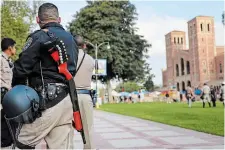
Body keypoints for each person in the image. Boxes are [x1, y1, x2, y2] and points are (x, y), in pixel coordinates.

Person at [11, 3, 77, 149]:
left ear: (37, 19)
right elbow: (73, 69)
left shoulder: (38, 36)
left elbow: (21, 68)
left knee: (22, 141)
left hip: (45, 102)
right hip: (66, 101)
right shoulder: (71, 39)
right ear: (59, 19)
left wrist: (16, 91)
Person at [74, 35, 95, 149]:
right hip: (85, 96)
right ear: (84, 45)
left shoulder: (69, 58)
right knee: (88, 129)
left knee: (65, 129)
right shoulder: (90, 59)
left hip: (70, 97)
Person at [1, 38, 16, 149]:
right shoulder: (0, 60)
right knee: (2, 118)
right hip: (2, 93)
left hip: (8, 94)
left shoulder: (9, 61)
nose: (15, 49)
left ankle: (9, 140)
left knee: (8, 117)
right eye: (14, 46)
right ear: (10, 48)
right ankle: (4, 141)